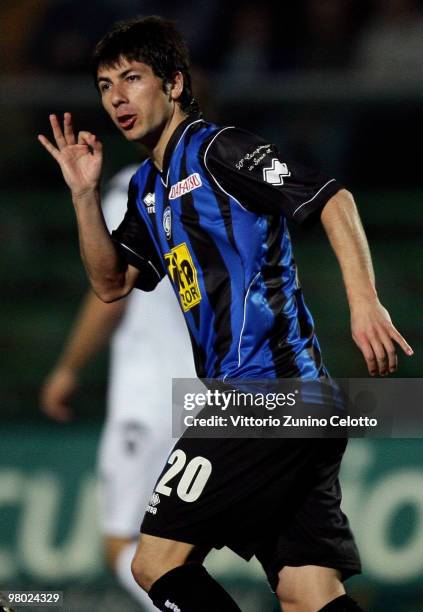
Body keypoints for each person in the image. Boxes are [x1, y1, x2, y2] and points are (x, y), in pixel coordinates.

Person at [38, 16, 413, 612]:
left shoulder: (217, 149)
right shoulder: (147, 188)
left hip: (260, 395)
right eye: (105, 85)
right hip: (300, 404)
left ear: (175, 83)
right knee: (306, 592)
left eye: (132, 79)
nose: (117, 97)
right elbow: (111, 284)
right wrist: (84, 196)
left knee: (152, 562)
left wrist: (364, 302)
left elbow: (331, 196)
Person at [40, 164, 196, 611]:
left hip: (150, 397)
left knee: (126, 547)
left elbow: (110, 292)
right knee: (187, 548)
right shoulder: (220, 180)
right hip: (216, 382)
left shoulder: (135, 188)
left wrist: (68, 369)